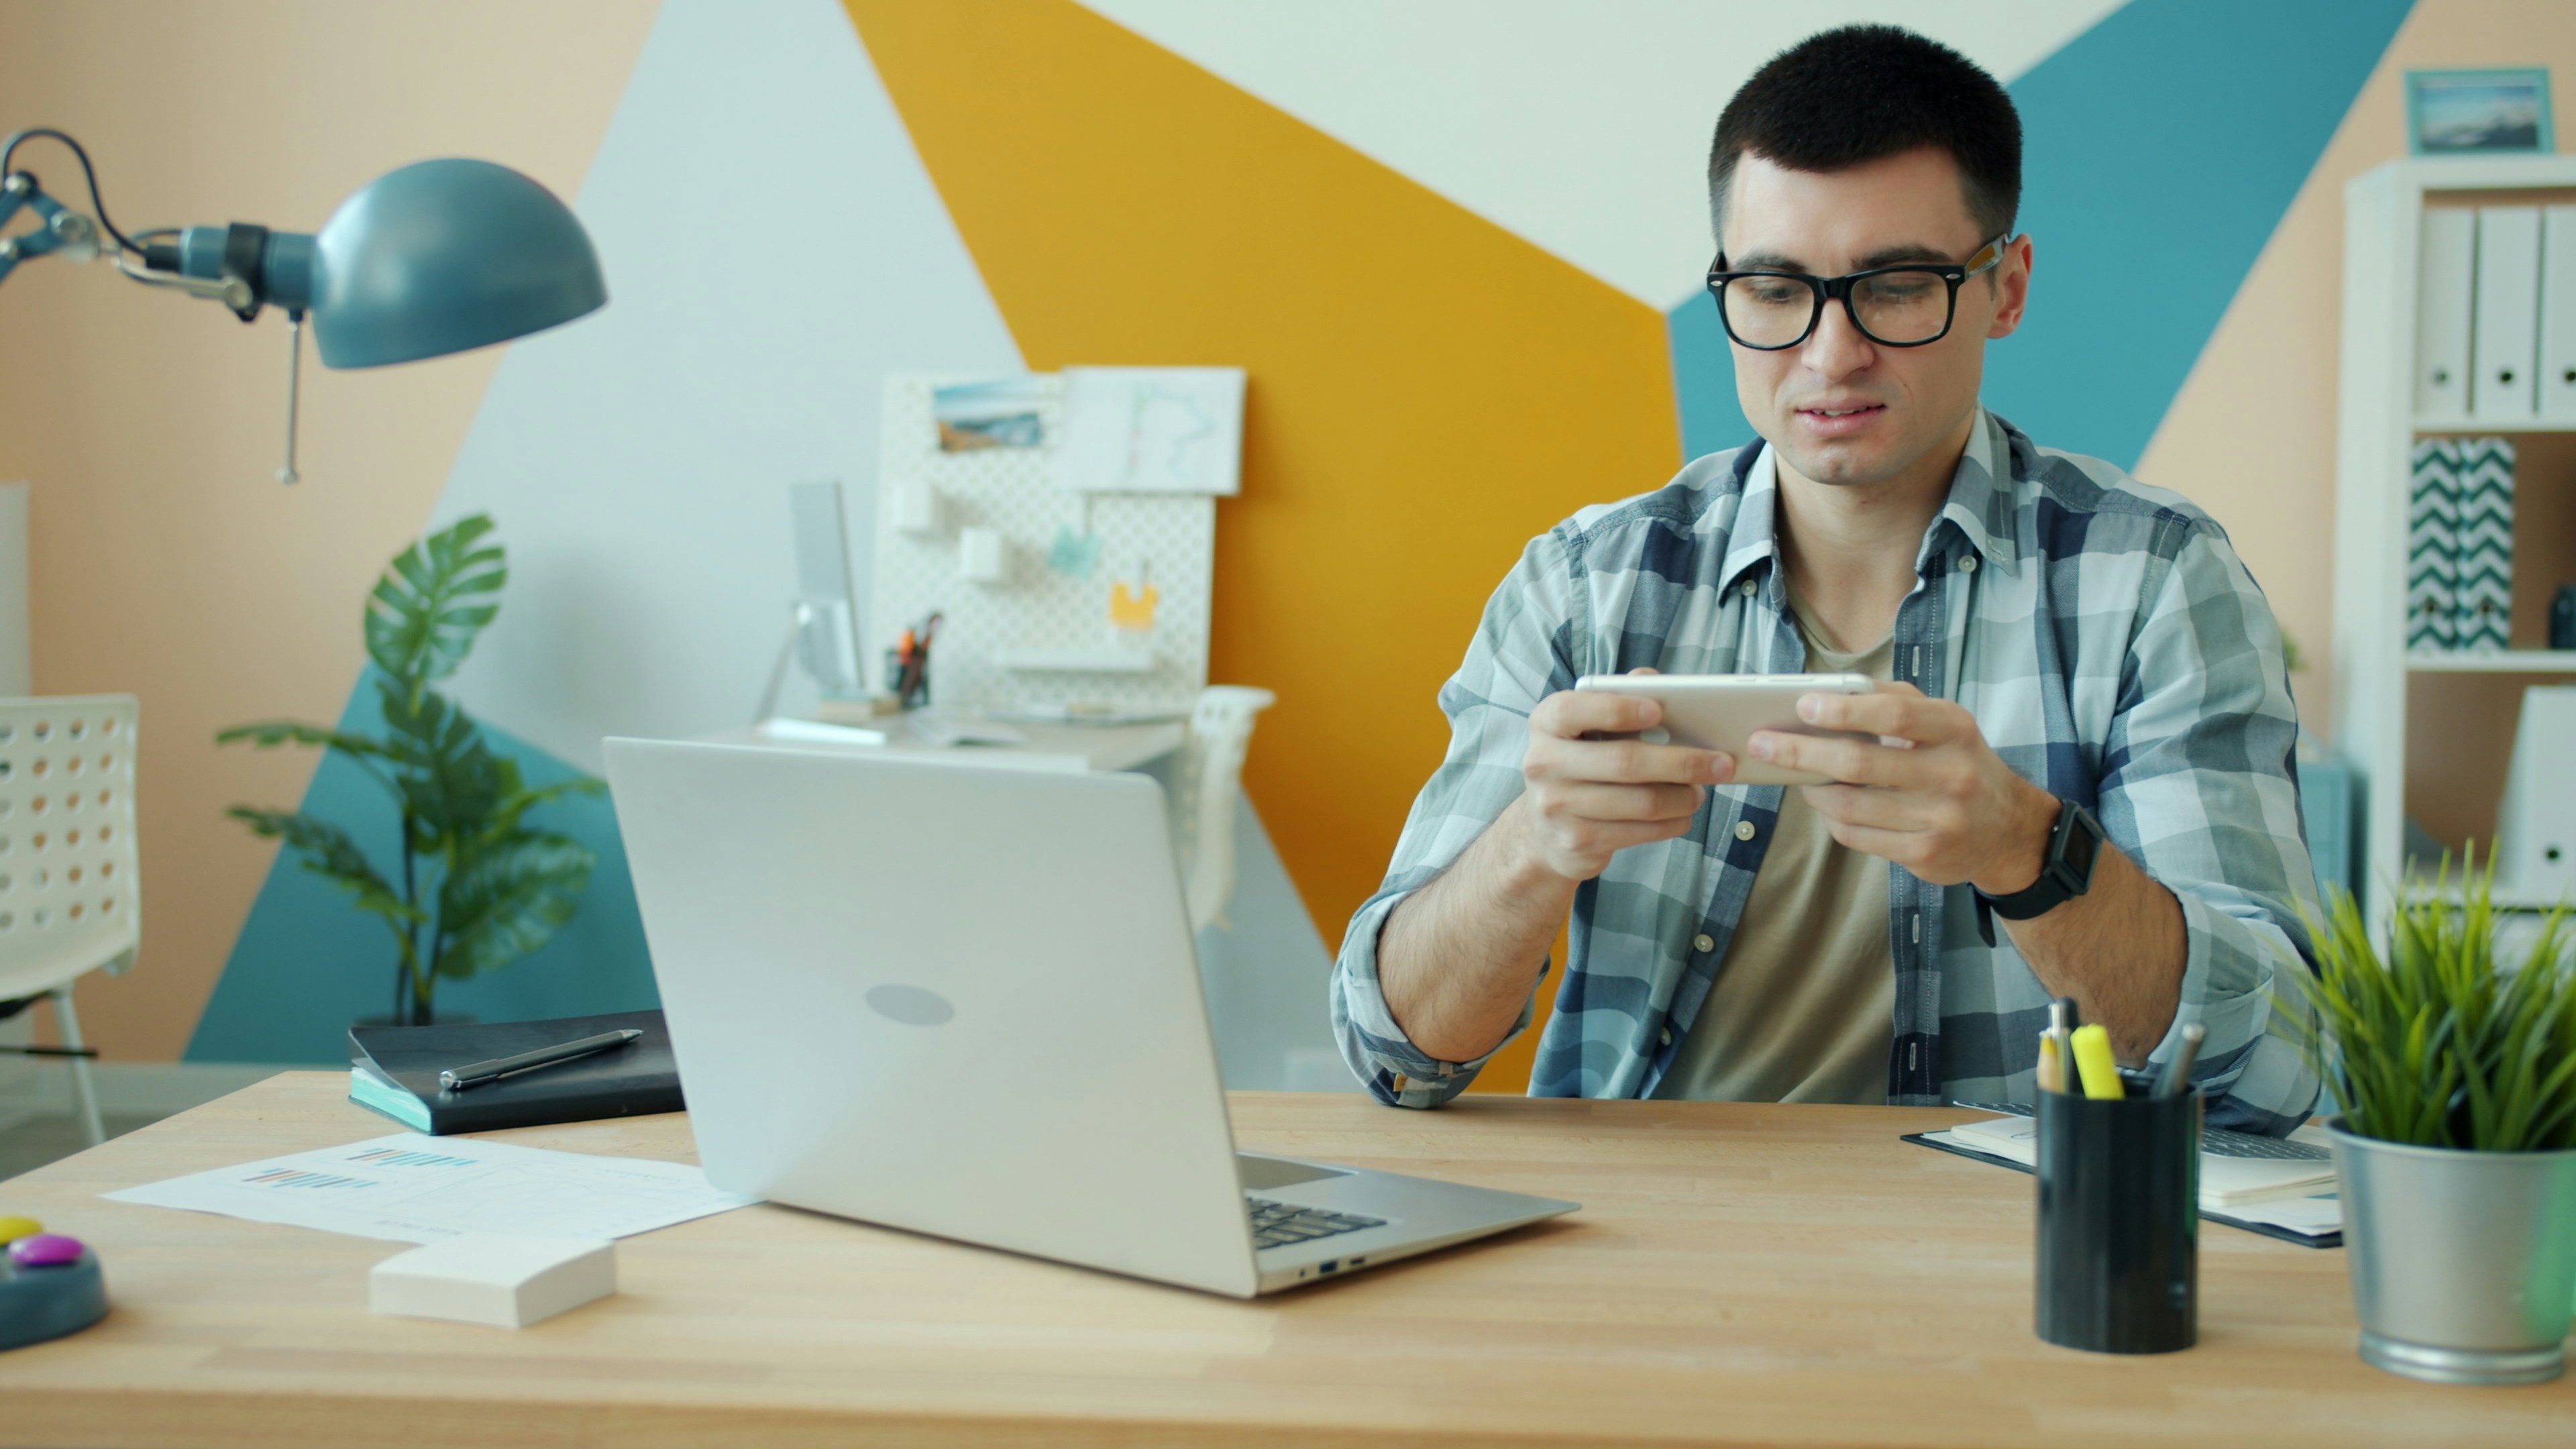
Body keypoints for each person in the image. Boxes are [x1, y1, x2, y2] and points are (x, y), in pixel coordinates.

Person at [1329, 23, 2319, 1132]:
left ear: (2007, 287)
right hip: (1638, 1247)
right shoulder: (1587, 584)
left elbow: (2277, 1073)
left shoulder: (2155, 580)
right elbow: (1391, 1057)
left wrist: (2028, 853)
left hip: (2008, 1254)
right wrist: (1530, 849)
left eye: (1896, 287)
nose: (1829, 354)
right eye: (1773, 287)